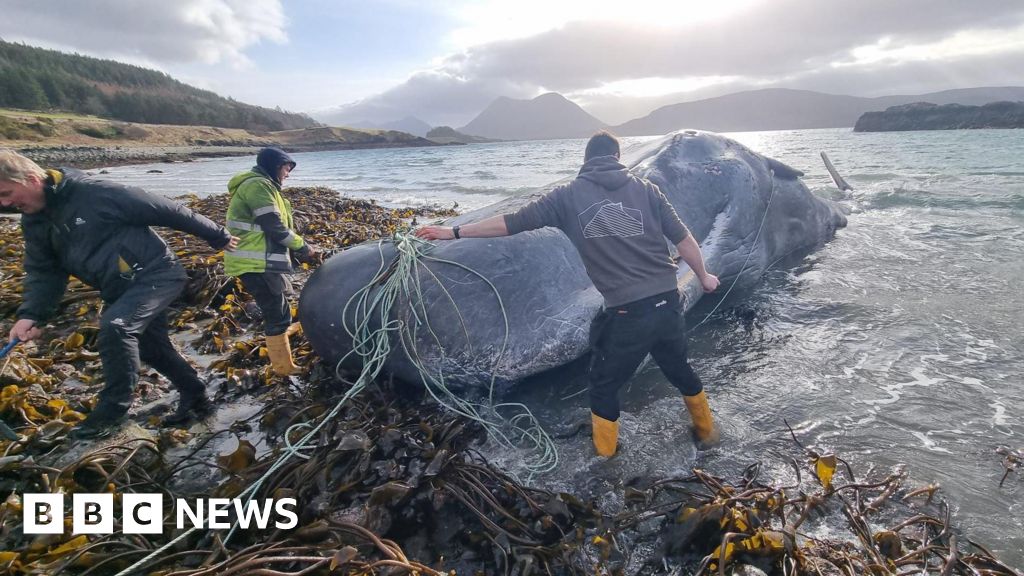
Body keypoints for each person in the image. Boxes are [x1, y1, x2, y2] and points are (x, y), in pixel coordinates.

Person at [414, 131, 721, 456]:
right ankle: (708, 436)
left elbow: (511, 223)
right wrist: (704, 277)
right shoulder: (647, 190)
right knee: (679, 369)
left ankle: (605, 463)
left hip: (628, 313)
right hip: (668, 303)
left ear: (586, 161)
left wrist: (455, 231)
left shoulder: (567, 196)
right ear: (617, 157)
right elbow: (684, 239)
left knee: (603, 386)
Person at [0, 149, 239, 439]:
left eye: (6, 192)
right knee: (153, 349)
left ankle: (112, 411)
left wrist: (217, 235)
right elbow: (44, 272)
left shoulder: (94, 193)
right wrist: (31, 315)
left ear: (31, 179)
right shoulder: (35, 222)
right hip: (118, 288)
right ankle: (196, 395)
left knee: (116, 327)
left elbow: (165, 209)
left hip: (157, 273)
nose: (6, 203)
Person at [223, 147, 317, 375]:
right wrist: (303, 247)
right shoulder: (257, 186)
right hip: (255, 262)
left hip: (262, 260)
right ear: (275, 166)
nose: (288, 173)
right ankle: (284, 367)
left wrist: (295, 250)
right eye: (287, 168)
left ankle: (283, 337)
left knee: (281, 303)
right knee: (277, 313)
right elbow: (274, 226)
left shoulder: (264, 185)